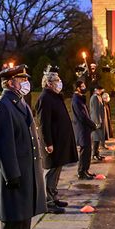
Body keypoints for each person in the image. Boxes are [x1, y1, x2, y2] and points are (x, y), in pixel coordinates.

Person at [0, 64, 47, 229]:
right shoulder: (2, 106)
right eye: (22, 79)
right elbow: (2, 145)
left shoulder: (20, 102)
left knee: (24, 214)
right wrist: (11, 174)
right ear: (10, 82)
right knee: (12, 218)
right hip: (13, 173)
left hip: (27, 169)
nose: (25, 82)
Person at [36, 66, 78, 214]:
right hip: (52, 143)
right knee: (51, 171)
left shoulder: (54, 96)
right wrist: (48, 143)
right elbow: (43, 123)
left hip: (60, 142)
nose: (59, 82)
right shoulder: (45, 98)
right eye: (56, 80)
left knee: (57, 169)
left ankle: (53, 196)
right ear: (48, 83)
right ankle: (48, 201)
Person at [72, 80, 97, 179]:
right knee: (84, 151)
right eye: (82, 86)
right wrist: (92, 124)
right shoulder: (76, 100)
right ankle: (82, 172)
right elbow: (82, 116)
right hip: (82, 130)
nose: (84, 87)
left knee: (87, 151)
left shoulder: (80, 99)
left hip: (85, 129)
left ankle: (86, 170)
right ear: (77, 88)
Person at [90, 85, 106, 161]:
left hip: (100, 119)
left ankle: (97, 153)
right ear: (96, 90)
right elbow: (95, 110)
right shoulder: (94, 98)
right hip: (96, 120)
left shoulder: (99, 97)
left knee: (98, 138)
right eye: (100, 90)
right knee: (96, 138)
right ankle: (94, 154)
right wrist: (97, 121)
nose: (101, 92)